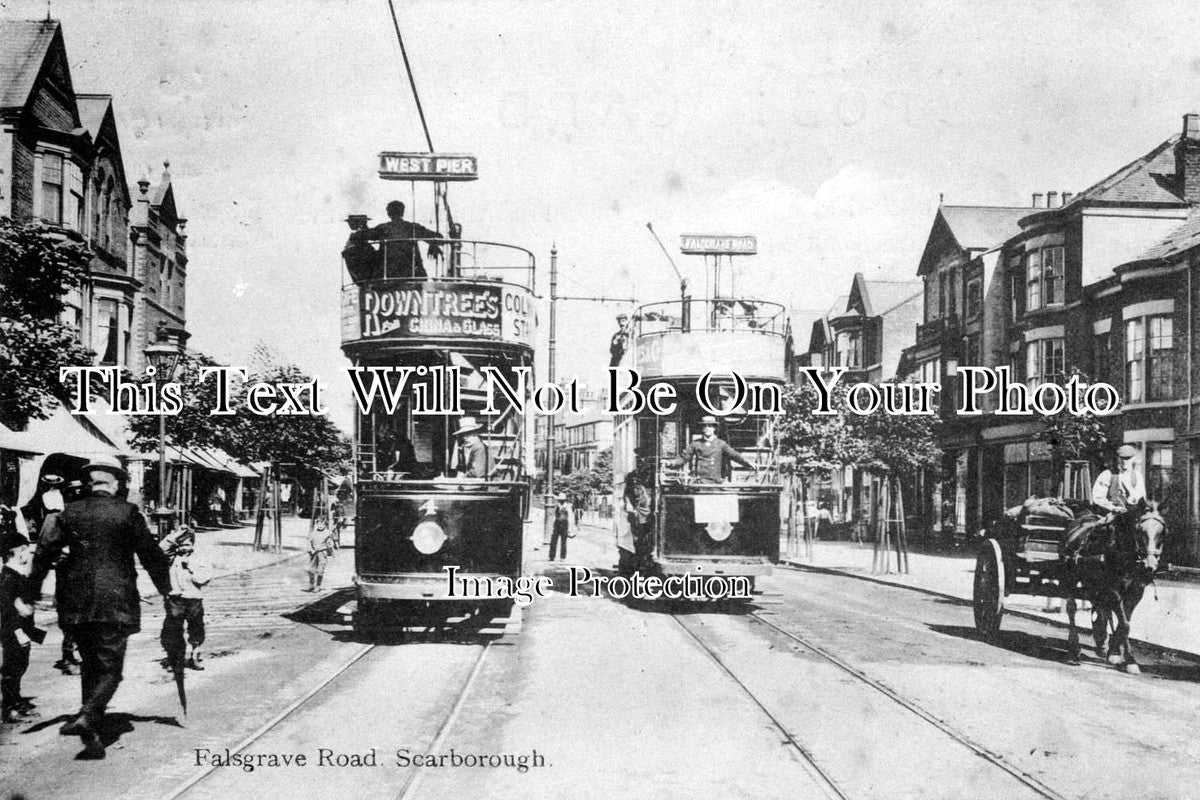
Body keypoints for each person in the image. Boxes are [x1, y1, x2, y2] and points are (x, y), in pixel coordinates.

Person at [25, 454, 171, 759]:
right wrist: (168, 591)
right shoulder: (128, 513)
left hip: (74, 601)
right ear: (115, 483)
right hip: (115, 601)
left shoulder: (67, 513)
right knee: (111, 669)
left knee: (89, 663)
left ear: (90, 483)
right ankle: (89, 716)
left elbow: (43, 553)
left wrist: (30, 593)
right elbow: (151, 556)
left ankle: (91, 727)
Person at [1063, 444, 1146, 561]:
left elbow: (1141, 497)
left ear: (1133, 459)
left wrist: (1136, 504)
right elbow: (1098, 497)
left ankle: (1143, 556)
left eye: (1128, 458)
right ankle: (1082, 550)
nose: (1125, 462)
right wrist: (1112, 507)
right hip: (1110, 513)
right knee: (1102, 530)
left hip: (1131, 514)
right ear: (1117, 458)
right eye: (1122, 458)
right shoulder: (1107, 475)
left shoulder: (1137, 476)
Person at [1, 517, 44, 724]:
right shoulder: (9, 578)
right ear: (17, 552)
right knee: (12, 668)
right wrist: (18, 632)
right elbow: (6, 610)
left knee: (19, 666)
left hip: (21, 631)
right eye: (28, 551)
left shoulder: (17, 575)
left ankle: (16, 701)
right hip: (13, 632)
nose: (30, 554)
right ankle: (10, 708)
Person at [159, 527, 211, 672]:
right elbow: (160, 549)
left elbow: (204, 579)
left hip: (193, 598)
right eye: (181, 544)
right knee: (173, 629)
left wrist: (190, 567)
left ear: (193, 544)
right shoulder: (171, 557)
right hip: (176, 598)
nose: (184, 548)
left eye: (187, 544)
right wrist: (174, 536)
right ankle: (174, 659)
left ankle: (194, 657)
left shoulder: (199, 558)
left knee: (196, 628)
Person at [356, 200, 443, 279]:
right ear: (403, 212)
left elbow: (361, 236)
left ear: (388, 213)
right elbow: (439, 238)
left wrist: (363, 225)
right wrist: (432, 244)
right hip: (413, 273)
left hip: (388, 274)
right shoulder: (413, 227)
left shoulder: (383, 228)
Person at [671, 416, 757, 484]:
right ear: (702, 428)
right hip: (700, 482)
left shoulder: (721, 444)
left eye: (710, 426)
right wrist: (672, 462)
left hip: (715, 483)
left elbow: (734, 455)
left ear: (714, 428)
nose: (707, 428)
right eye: (705, 426)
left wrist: (748, 463)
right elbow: (684, 457)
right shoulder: (696, 444)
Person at [623, 448, 655, 569]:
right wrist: (629, 505)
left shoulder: (652, 475)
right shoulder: (632, 476)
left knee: (650, 539)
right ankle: (641, 565)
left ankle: (648, 563)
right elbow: (627, 492)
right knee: (638, 539)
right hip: (638, 510)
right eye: (639, 459)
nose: (641, 461)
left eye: (643, 459)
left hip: (651, 510)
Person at [306, 516, 336, 593]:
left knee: (320, 570)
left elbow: (330, 543)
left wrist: (332, 551)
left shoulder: (327, 533)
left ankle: (318, 586)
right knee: (311, 570)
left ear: (325, 525)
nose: (320, 526)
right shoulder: (313, 533)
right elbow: (309, 542)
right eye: (319, 524)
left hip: (322, 553)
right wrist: (310, 550)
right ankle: (311, 585)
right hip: (314, 553)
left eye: (322, 524)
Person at [549, 494, 570, 562]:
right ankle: (552, 556)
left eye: (562, 500)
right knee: (553, 541)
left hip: (564, 524)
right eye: (560, 500)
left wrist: (570, 529)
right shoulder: (557, 506)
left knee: (563, 542)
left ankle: (562, 557)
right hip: (557, 524)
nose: (561, 501)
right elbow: (553, 515)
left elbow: (570, 517)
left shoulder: (567, 506)